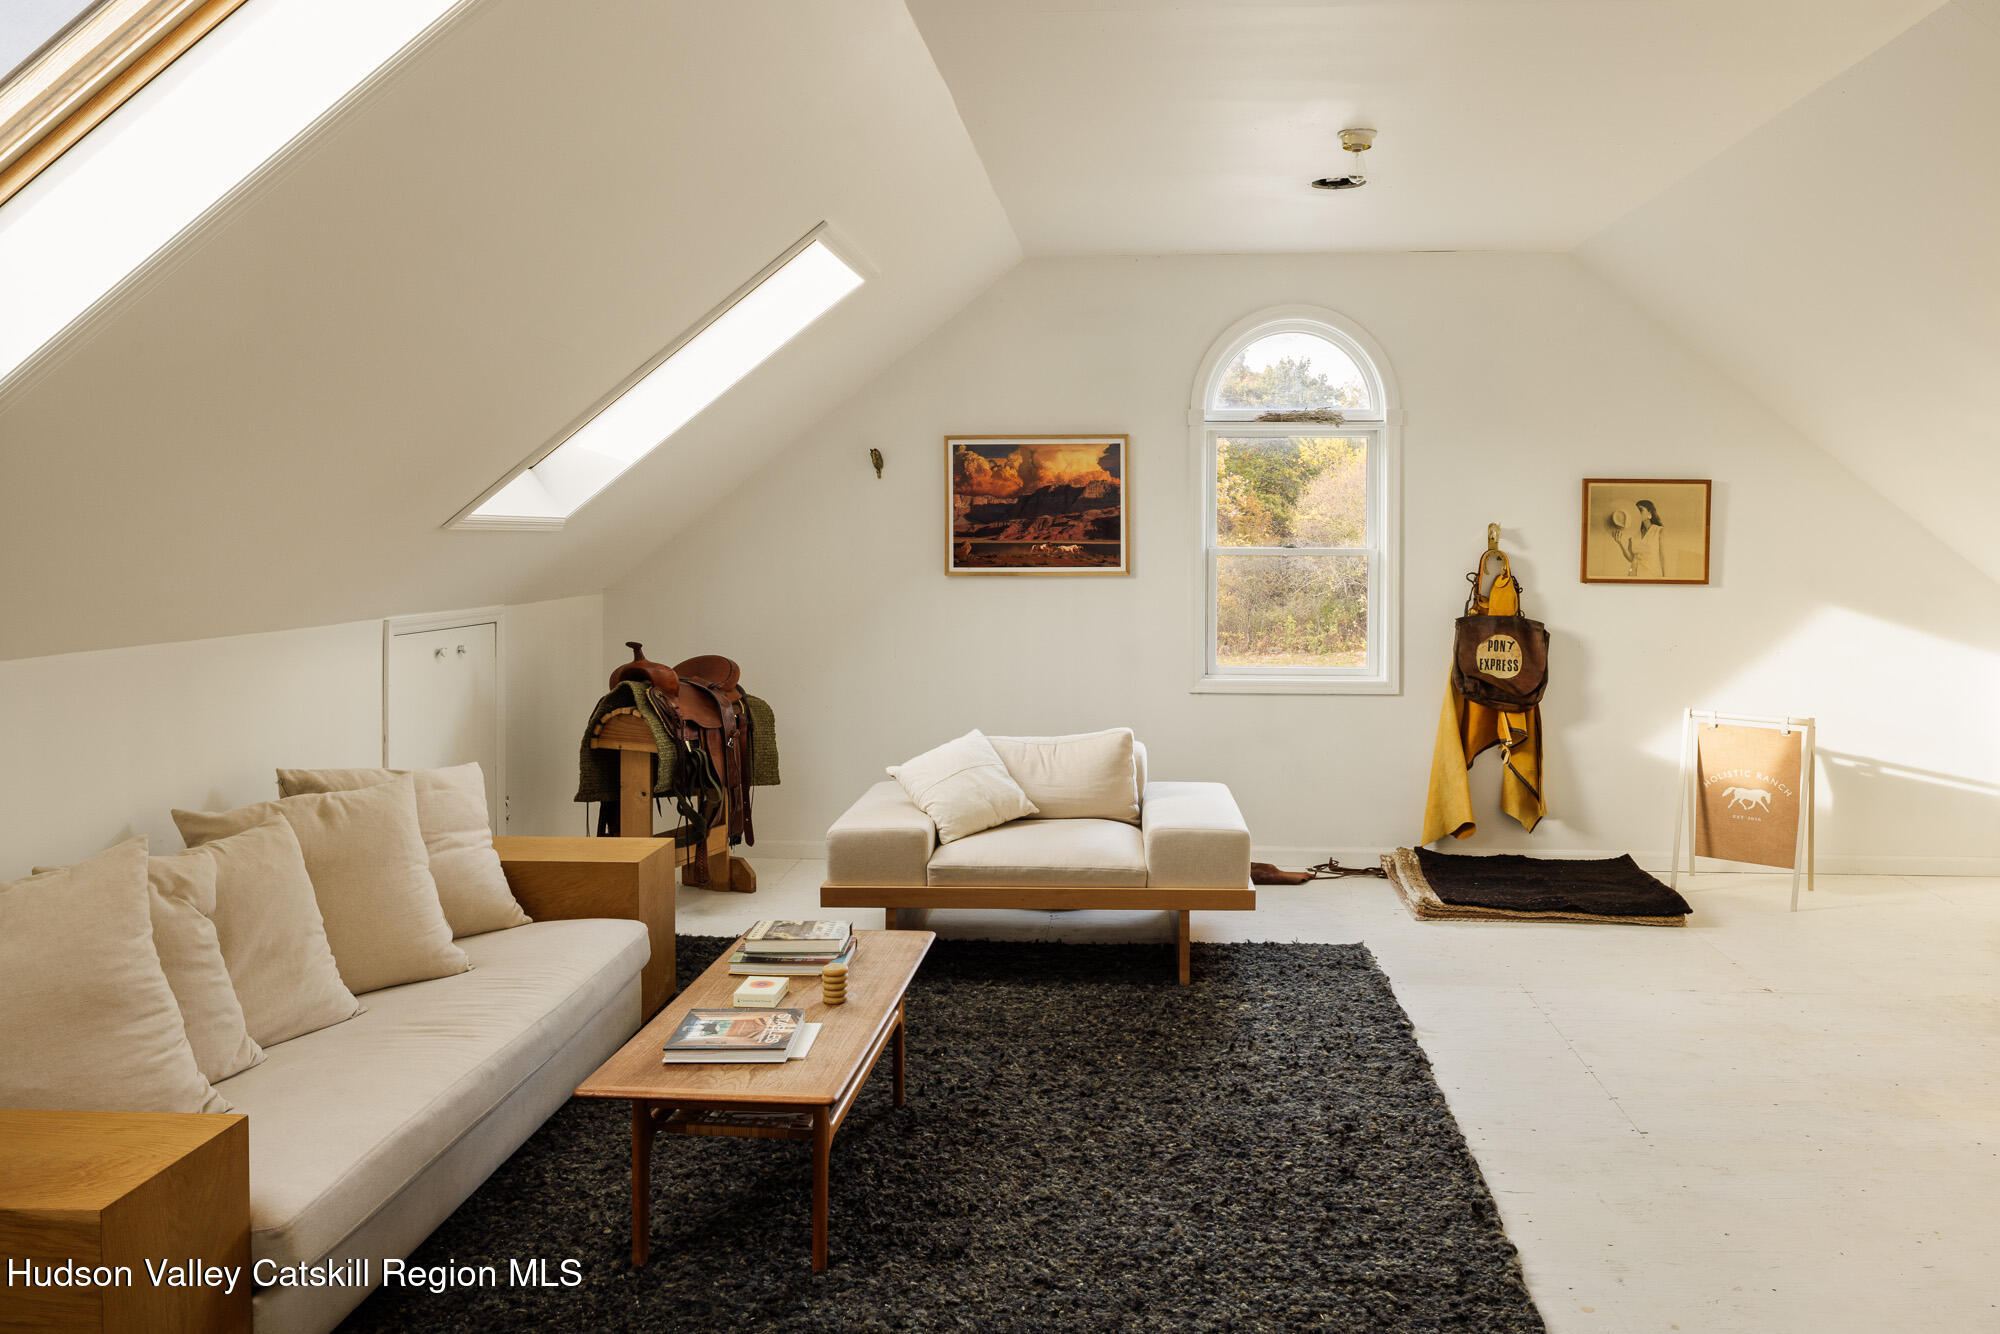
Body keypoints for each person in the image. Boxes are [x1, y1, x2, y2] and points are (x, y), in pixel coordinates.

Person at [1609, 499, 1667, 578]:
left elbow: (1664, 558)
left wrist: (1665, 578)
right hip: (1634, 575)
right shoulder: (1634, 532)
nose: (1637, 513)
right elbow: (1631, 558)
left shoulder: (1659, 531)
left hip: (1652, 575)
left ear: (1649, 514)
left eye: (1640, 510)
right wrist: (1620, 543)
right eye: (1636, 511)